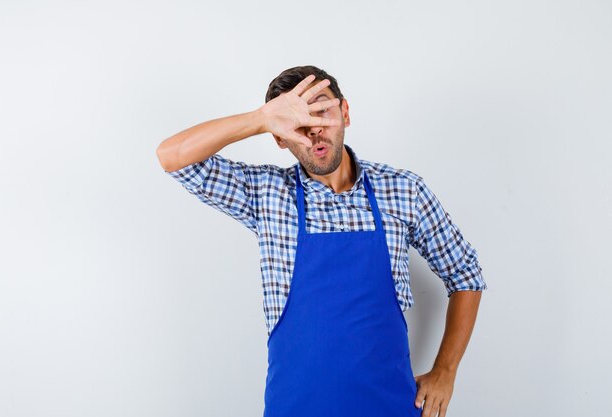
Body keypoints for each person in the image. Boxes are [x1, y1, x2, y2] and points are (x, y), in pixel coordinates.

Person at [156, 65, 487, 417]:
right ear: (280, 137)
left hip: (388, 406)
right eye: (296, 121)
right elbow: (172, 157)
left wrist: (445, 372)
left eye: (321, 111)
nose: (314, 130)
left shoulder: (403, 190)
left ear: (344, 112)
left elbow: (465, 273)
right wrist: (261, 118)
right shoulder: (266, 194)